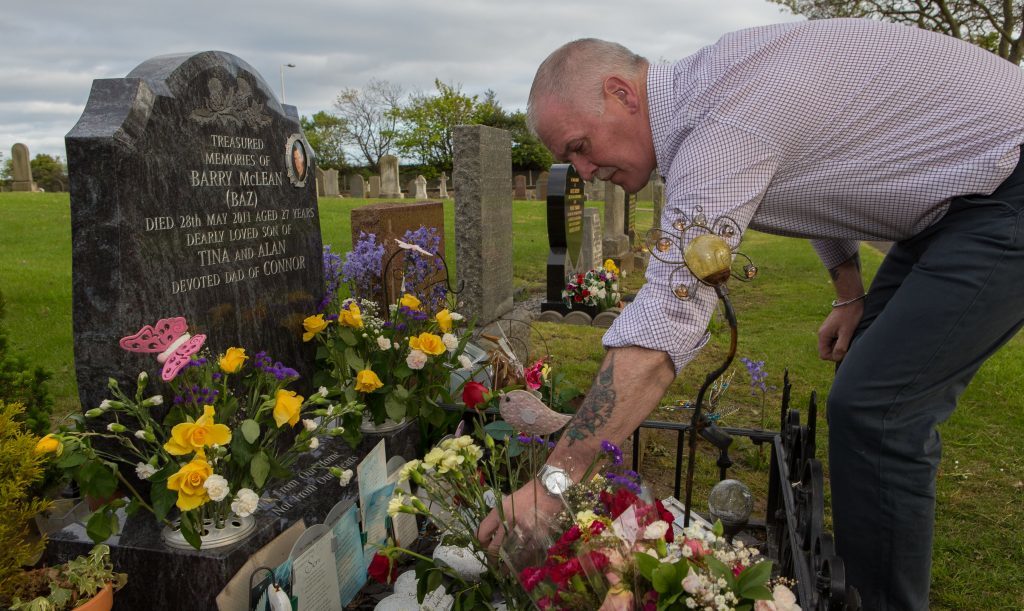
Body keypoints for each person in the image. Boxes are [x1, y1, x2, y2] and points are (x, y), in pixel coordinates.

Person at [476, 18, 1024, 610]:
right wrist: (848, 290)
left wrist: (554, 485)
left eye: (579, 147)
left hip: (1002, 185)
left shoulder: (721, 125)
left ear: (621, 93)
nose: (583, 172)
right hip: (951, 206)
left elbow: (667, 320)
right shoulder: (712, 98)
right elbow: (822, 177)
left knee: (879, 410)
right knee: (864, 387)